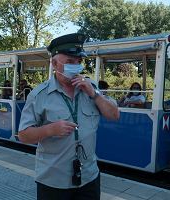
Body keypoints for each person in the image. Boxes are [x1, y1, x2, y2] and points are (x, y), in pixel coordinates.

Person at [18, 33, 120, 200]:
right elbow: (23, 135)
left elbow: (114, 115)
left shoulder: (91, 87)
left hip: (89, 177)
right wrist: (50, 129)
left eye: (79, 62)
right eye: (70, 62)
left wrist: (93, 94)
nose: (76, 66)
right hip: (53, 181)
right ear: (54, 63)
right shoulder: (39, 95)